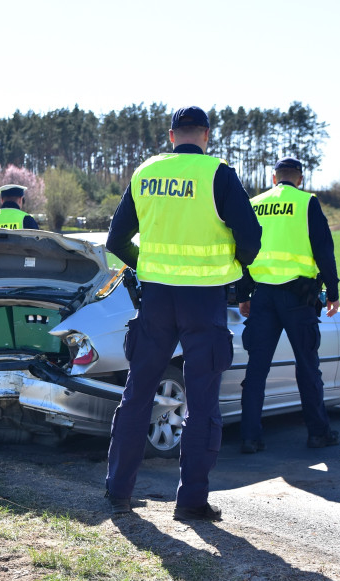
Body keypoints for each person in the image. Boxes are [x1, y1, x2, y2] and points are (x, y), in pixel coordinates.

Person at [104, 106, 261, 522]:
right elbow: (251, 240)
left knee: (137, 393)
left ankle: (118, 491)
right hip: (204, 300)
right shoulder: (219, 174)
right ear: (206, 135)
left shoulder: (145, 173)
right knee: (202, 400)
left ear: (172, 135)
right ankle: (190, 501)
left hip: (155, 298)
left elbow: (116, 239)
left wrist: (146, 266)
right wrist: (235, 263)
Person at [236, 157, 340, 453]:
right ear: (300, 179)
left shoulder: (255, 204)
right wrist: (332, 292)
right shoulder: (307, 202)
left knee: (256, 368)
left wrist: (243, 295)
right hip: (298, 297)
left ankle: (249, 437)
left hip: (263, 296)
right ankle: (318, 434)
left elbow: (243, 253)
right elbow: (324, 250)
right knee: (308, 366)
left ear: (273, 178)